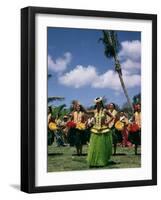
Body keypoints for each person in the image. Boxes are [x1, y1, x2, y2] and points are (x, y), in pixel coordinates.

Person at [87, 97, 113, 167]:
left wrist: (108, 123)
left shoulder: (105, 110)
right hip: (95, 129)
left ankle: (102, 159)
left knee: (102, 146)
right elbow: (86, 112)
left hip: (103, 129)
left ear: (101, 103)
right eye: (96, 103)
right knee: (95, 146)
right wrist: (81, 106)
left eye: (98, 103)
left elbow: (112, 117)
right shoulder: (94, 111)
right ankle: (95, 160)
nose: (97, 104)